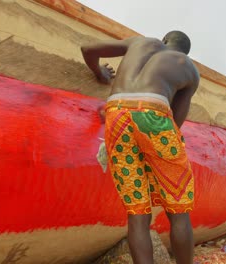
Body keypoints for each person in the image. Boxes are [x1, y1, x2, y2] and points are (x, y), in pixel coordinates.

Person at [81, 31, 200, 264]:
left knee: (137, 212)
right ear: (184, 52)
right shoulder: (189, 68)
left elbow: (87, 49)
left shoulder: (140, 41)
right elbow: (175, 122)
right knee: (178, 211)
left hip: (115, 115)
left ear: (165, 40)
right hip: (155, 116)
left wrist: (100, 72)